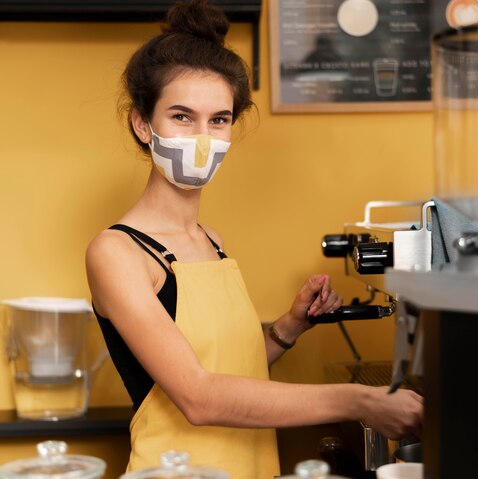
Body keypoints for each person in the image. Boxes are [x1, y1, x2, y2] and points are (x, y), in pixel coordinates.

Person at [85, 1, 424, 477]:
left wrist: (287, 328)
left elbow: (227, 366)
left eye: (218, 119)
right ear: (144, 124)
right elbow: (198, 396)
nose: (203, 138)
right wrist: (358, 400)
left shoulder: (212, 240)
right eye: (182, 117)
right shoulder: (117, 252)